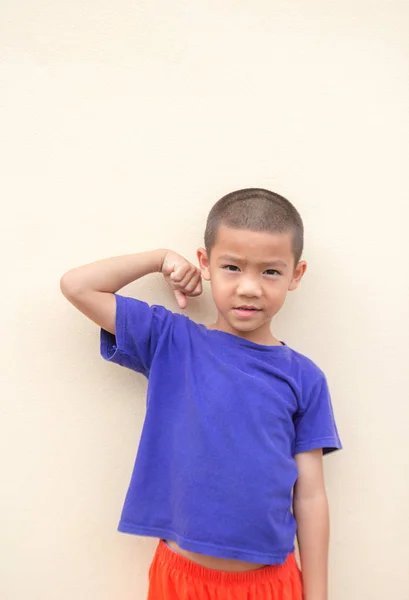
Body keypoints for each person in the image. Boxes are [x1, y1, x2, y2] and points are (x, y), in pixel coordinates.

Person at [60, 188, 342, 600]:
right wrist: (159, 258)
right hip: (181, 579)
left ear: (295, 275)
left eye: (270, 272)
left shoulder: (305, 377)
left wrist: (317, 595)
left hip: (270, 584)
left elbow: (312, 496)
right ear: (205, 264)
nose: (249, 288)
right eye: (232, 267)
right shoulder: (171, 339)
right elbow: (77, 286)